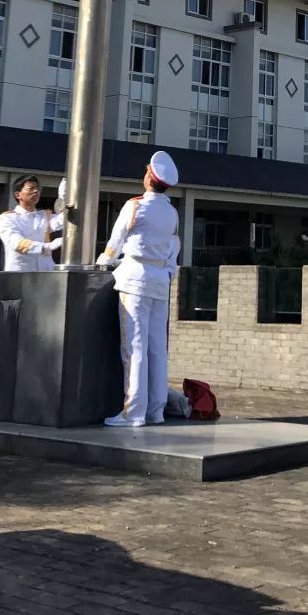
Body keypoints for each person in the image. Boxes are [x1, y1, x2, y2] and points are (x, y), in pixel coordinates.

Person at [96, 151, 181, 428]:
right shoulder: (171, 212)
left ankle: (133, 412)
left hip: (135, 279)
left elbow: (115, 243)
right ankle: (156, 410)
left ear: (149, 178)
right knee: (157, 349)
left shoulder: (135, 206)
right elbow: (172, 248)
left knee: (134, 348)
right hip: (160, 280)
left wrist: (102, 262)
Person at [0, 174, 65, 272]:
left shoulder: (44, 216)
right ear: (18, 195)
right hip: (21, 274)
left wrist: (64, 200)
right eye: (30, 188)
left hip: (46, 273)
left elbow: (65, 220)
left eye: (38, 188)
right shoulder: (8, 218)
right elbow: (15, 242)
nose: (36, 191)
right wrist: (46, 247)